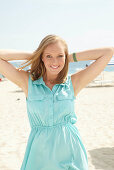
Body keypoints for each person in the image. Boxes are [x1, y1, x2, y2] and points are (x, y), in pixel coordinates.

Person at [0, 34, 113, 170]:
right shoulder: (28, 83)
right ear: (42, 57)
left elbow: (108, 52)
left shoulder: (73, 83)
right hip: (39, 155)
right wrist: (36, 55)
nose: (55, 62)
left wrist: (68, 57)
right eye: (49, 56)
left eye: (60, 56)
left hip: (70, 152)